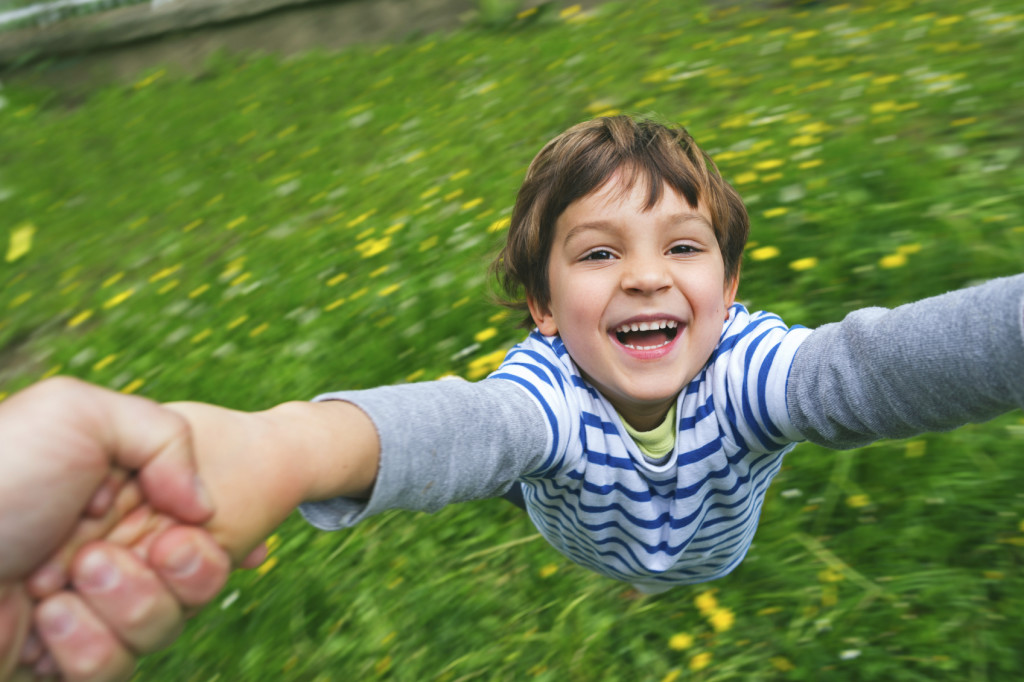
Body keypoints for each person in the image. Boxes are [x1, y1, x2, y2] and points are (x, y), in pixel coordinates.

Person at [5, 115, 1024, 678]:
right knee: (508, 450)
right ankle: (603, 543)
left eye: (683, 247)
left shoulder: (751, 369)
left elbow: (879, 366)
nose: (645, 276)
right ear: (542, 304)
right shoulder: (540, 388)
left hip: (719, 538)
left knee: (652, 531)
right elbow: (462, 420)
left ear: (727, 290)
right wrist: (281, 450)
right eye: (597, 253)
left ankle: (643, 565)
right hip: (573, 515)